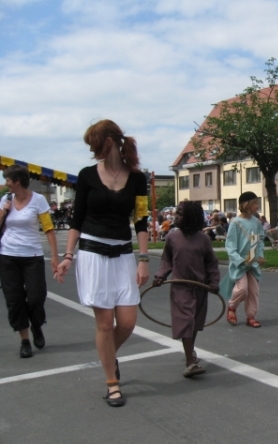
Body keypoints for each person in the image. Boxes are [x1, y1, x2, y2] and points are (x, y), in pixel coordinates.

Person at [55, 119, 149, 407]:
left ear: (107, 141)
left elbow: (141, 219)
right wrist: (68, 256)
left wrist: (143, 259)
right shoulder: (86, 176)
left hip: (123, 254)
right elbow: (77, 219)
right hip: (93, 254)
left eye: (93, 143)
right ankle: (112, 383)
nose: (91, 149)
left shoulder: (136, 178)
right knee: (105, 324)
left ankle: (108, 355)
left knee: (128, 322)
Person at [153, 201, 220, 378]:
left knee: (195, 322)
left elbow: (211, 264)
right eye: (176, 213)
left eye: (180, 213)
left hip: (200, 287)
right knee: (186, 320)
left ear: (191, 216)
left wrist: (214, 282)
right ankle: (191, 361)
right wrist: (160, 276)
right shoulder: (172, 238)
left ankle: (189, 353)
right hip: (180, 287)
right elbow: (166, 260)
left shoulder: (203, 239)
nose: (176, 216)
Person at [0, 165, 59, 358]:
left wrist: (55, 257)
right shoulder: (6, 199)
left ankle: (36, 325)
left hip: (32, 256)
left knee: (35, 298)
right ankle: (24, 340)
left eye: (8, 180)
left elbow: (48, 229)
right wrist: (3, 212)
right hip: (8, 256)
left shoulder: (38, 200)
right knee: (14, 301)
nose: (6, 184)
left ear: (17, 181)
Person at [220, 191, 265, 328]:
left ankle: (251, 316)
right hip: (239, 264)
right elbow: (230, 246)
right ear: (246, 205)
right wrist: (239, 260)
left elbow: (260, 240)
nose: (257, 206)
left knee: (253, 290)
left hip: (253, 263)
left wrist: (260, 255)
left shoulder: (256, 222)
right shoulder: (235, 223)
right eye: (255, 203)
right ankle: (232, 307)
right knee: (242, 289)